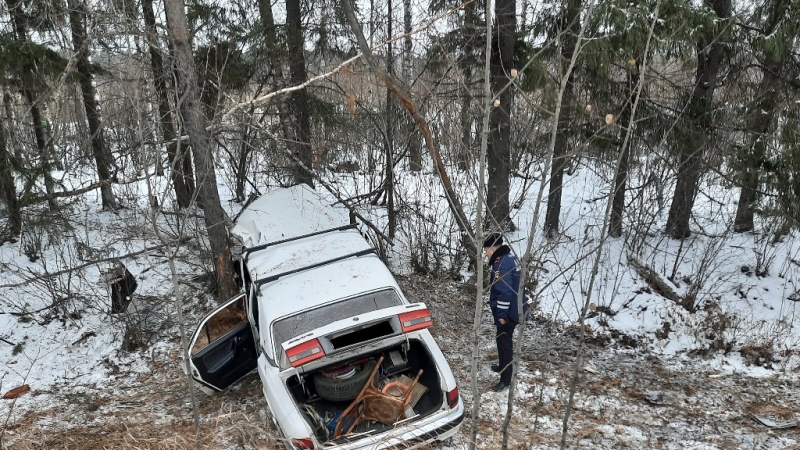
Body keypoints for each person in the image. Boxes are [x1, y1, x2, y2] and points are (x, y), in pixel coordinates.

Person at [483, 232, 528, 392]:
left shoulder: (500, 264)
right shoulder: (510, 258)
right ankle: (503, 366)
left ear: (494, 248)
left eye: (487, 250)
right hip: (518, 306)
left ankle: (506, 379)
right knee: (502, 339)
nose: (486, 253)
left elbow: (504, 292)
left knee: (504, 342)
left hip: (510, 311)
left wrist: (502, 316)